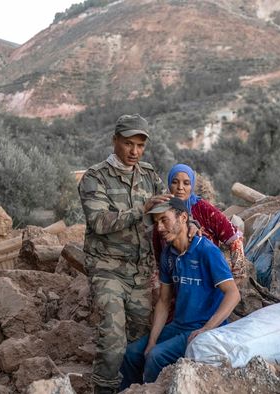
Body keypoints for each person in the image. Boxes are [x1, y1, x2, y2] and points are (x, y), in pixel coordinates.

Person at [78, 114, 171, 394]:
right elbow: (100, 222)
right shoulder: (95, 178)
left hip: (141, 271)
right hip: (107, 268)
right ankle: (104, 390)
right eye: (128, 144)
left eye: (140, 145)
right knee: (113, 337)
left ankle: (131, 388)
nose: (134, 152)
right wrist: (142, 208)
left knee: (140, 339)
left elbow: (165, 213)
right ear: (114, 141)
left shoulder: (149, 175)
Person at [120, 198, 240, 389]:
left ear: (183, 217)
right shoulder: (168, 255)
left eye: (164, 220)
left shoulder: (206, 251)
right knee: (132, 353)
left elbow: (233, 294)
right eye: (157, 222)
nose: (159, 228)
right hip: (178, 326)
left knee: (155, 356)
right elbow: (163, 301)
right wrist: (151, 341)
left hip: (201, 327)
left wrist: (207, 329)